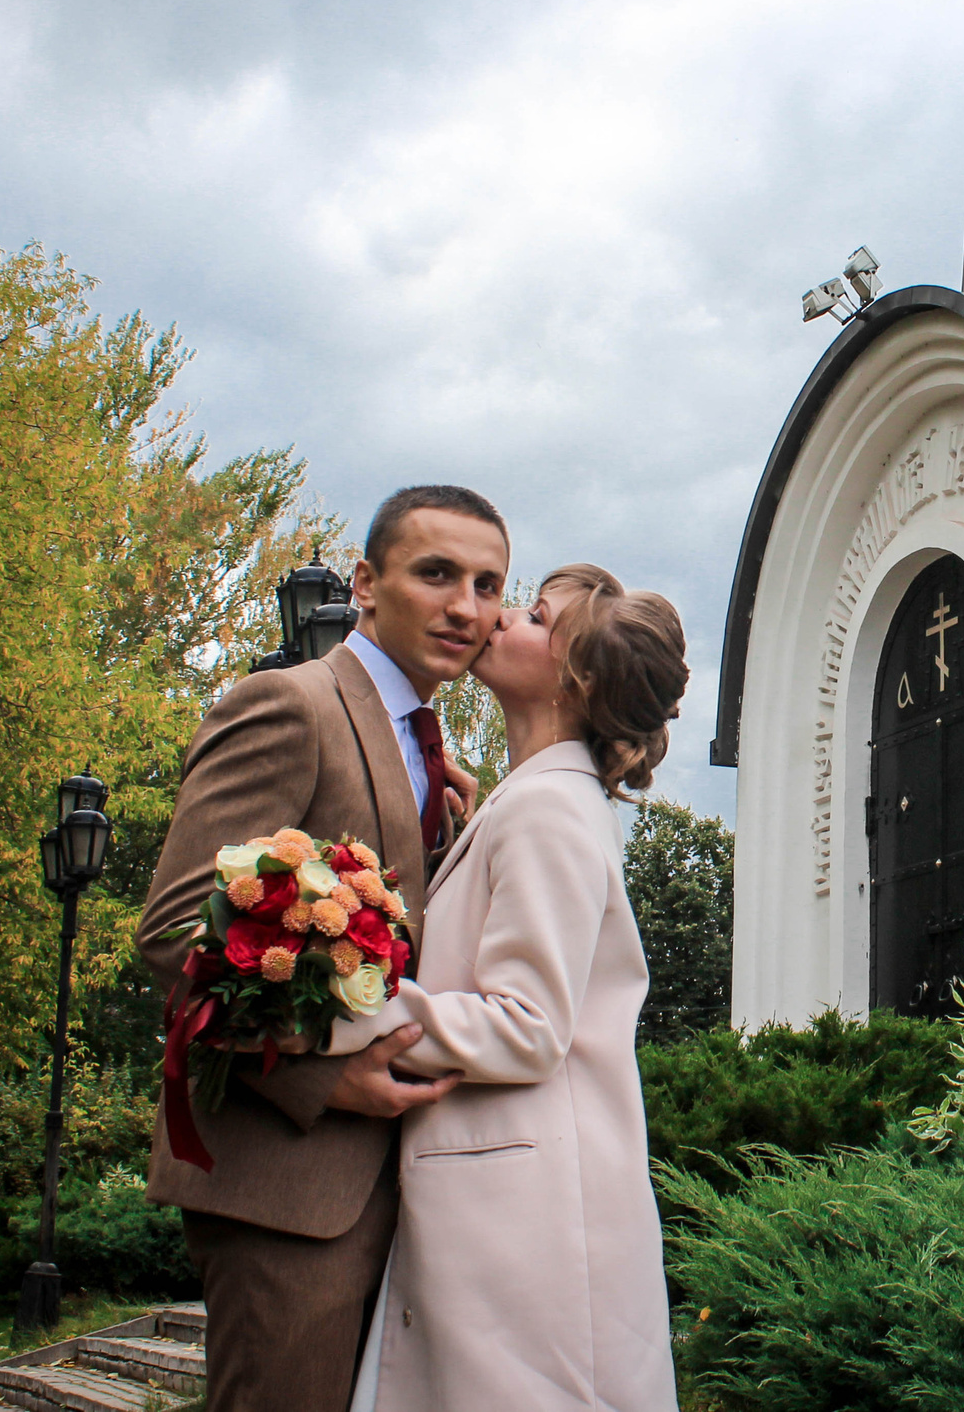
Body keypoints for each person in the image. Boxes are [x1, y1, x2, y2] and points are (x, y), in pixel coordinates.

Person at [137, 485, 510, 1412]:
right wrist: (318, 1077)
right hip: (287, 1187)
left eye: (489, 583)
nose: (466, 605)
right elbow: (178, 928)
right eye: (436, 573)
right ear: (367, 583)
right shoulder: (289, 705)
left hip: (404, 1183)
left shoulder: (431, 748)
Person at [335, 563, 689, 1412]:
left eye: (534, 615)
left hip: (525, 1219)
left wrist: (343, 1010)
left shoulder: (548, 812)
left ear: (579, 678)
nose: (499, 618)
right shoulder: (533, 802)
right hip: (511, 1199)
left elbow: (526, 1024)